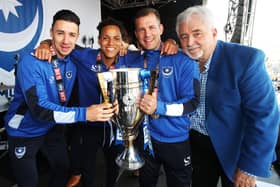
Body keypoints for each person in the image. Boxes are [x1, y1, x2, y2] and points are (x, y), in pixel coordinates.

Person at [34, 17, 179, 187]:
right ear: (99, 40)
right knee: (88, 170)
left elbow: (153, 49)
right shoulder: (84, 55)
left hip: (117, 127)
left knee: (113, 168)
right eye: (105, 38)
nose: (111, 43)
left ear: (122, 41)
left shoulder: (131, 57)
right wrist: (45, 44)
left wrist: (171, 41)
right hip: (88, 126)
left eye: (116, 38)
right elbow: (61, 46)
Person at [4, 10, 116, 187]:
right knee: (28, 182)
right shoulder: (31, 62)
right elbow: (40, 109)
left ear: (77, 36)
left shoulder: (75, 59)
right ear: (51, 33)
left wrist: (123, 46)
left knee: (62, 169)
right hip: (24, 131)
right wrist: (85, 114)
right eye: (60, 33)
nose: (66, 40)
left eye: (71, 35)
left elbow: (108, 51)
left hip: (51, 129)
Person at [176, 5, 280, 187]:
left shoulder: (246, 60)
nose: (190, 42)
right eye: (184, 36)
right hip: (197, 148)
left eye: (197, 33)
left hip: (234, 150)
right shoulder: (184, 62)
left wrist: (249, 167)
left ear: (214, 32)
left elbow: (264, 116)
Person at [133, 8, 200, 187]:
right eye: (141, 29)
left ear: (161, 28)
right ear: (135, 34)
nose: (147, 34)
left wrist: (159, 107)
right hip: (146, 139)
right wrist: (47, 44)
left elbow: (192, 102)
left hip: (175, 141)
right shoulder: (133, 60)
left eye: (152, 27)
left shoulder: (183, 60)